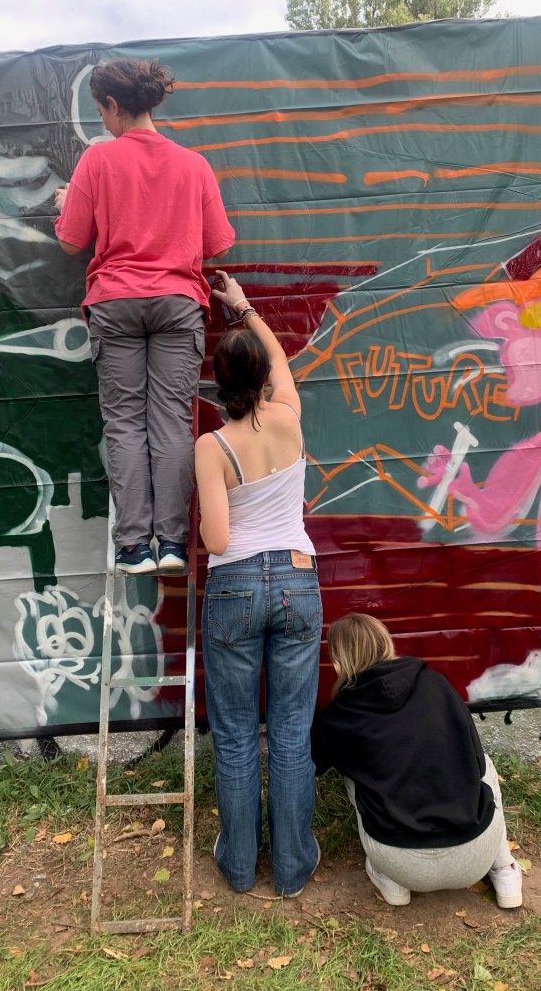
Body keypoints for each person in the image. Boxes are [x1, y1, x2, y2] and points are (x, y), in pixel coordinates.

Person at [54, 57, 235, 574]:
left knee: (126, 424)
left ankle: (134, 547)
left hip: (115, 302)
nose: (102, 122)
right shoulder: (193, 165)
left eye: (101, 111)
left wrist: (67, 205)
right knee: (173, 422)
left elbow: (71, 241)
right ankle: (172, 544)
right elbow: (219, 244)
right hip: (178, 302)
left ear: (114, 104)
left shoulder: (97, 160)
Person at [195, 271, 322, 897]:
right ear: (264, 379)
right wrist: (243, 307)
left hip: (235, 588)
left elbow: (217, 541)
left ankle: (241, 866)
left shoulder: (211, 446)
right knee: (292, 732)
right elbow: (280, 361)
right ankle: (294, 870)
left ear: (219, 384)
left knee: (237, 733)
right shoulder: (289, 418)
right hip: (297, 580)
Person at [311, 613, 523, 908]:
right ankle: (504, 870)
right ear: (387, 643)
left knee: (353, 774)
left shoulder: (340, 715)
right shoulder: (436, 683)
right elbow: (473, 758)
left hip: (400, 861)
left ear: (338, 661)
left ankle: (392, 882)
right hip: (476, 854)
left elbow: (314, 764)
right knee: (483, 763)